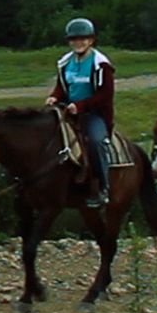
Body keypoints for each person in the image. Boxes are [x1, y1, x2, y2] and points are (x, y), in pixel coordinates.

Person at [46, 17, 115, 209]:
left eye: (83, 39)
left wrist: (81, 106)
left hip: (94, 114)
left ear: (91, 40)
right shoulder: (65, 62)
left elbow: (105, 95)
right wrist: (54, 97)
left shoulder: (100, 64)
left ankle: (103, 187)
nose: (79, 42)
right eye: (75, 39)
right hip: (70, 112)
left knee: (95, 141)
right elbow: (62, 86)